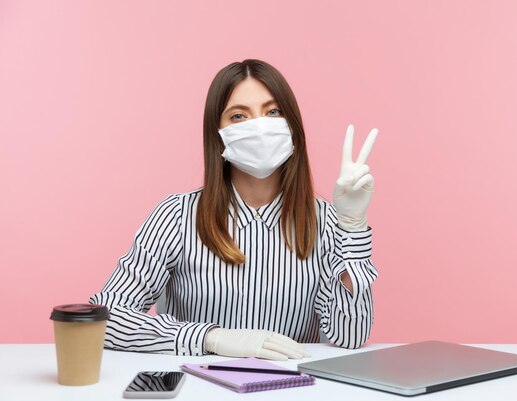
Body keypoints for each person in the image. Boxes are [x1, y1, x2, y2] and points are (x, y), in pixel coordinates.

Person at [90, 59, 379, 360]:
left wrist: (352, 227)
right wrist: (211, 338)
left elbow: (351, 336)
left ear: (291, 125)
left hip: (290, 394)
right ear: (218, 133)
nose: (259, 127)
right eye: (239, 116)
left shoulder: (328, 222)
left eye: (273, 112)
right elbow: (106, 319)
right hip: (200, 394)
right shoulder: (176, 216)